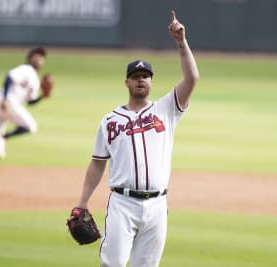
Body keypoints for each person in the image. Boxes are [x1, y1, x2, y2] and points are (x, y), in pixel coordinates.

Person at [73, 11, 199, 267]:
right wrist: (83, 202)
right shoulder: (110, 121)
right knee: (113, 265)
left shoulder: (167, 110)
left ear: (152, 82)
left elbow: (192, 78)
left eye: (145, 76)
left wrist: (181, 42)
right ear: (127, 82)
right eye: (135, 76)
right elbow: (97, 164)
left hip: (157, 206)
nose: (141, 79)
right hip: (122, 204)